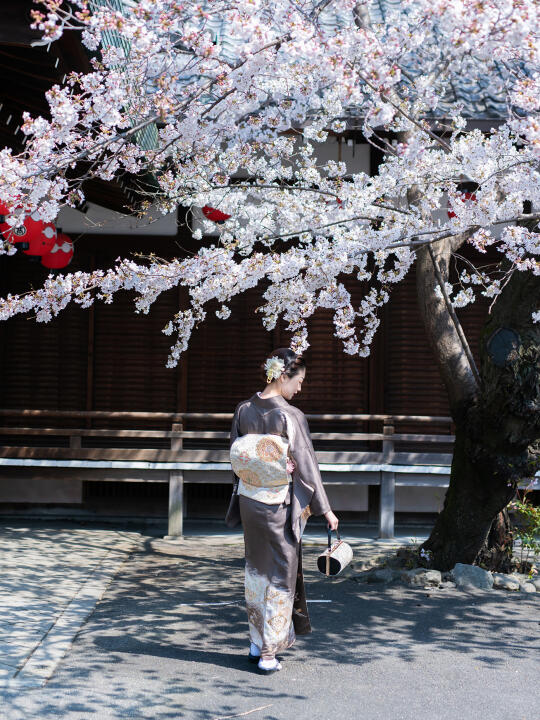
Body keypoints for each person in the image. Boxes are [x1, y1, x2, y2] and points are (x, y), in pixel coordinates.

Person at [228, 348, 339, 675]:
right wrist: (325, 509)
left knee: (256, 570)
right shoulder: (290, 416)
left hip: (249, 500)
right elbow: (307, 466)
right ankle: (267, 652)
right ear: (282, 376)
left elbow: (236, 459)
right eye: (299, 381)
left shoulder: (243, 410)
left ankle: (254, 640)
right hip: (278, 505)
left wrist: (260, 467)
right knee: (280, 574)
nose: (300, 388)